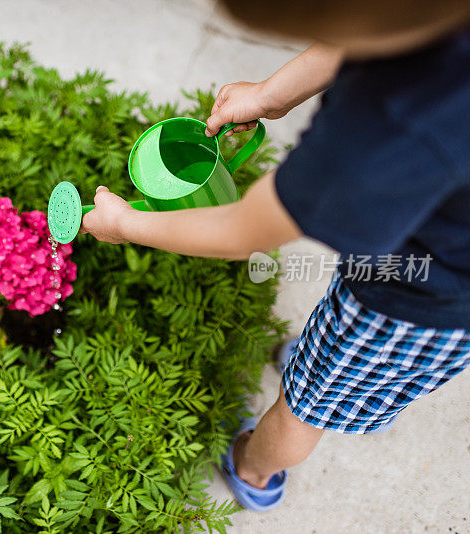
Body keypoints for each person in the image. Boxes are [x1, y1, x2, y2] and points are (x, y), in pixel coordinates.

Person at [80, 0, 470, 511]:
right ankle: (362, 383)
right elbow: (377, 25)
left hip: (417, 301)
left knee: (303, 410)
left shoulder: (381, 133)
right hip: (443, 257)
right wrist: (271, 94)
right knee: (367, 368)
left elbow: (243, 232)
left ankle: (256, 469)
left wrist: (125, 223)